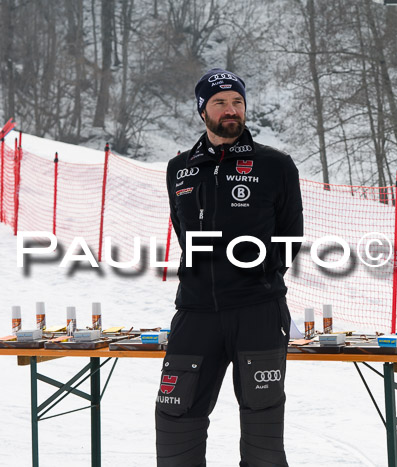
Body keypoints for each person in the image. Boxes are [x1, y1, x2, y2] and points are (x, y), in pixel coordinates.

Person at [156, 68, 303, 466]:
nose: (230, 110)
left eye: (237, 101)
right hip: (195, 312)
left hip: (258, 311)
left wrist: (256, 278)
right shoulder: (179, 169)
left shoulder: (276, 165)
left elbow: (291, 236)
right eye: (220, 103)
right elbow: (183, 231)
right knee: (174, 417)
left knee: (263, 433)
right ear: (202, 110)